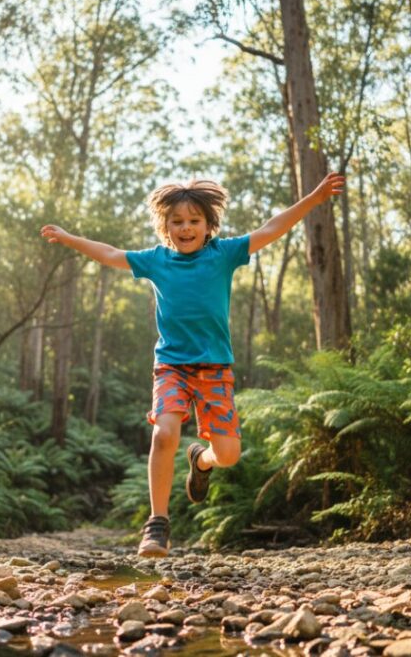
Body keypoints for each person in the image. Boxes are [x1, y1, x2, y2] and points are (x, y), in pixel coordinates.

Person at [40, 171, 344, 557]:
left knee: (229, 455)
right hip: (171, 367)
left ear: (208, 225)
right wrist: (69, 238)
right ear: (165, 226)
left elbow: (271, 228)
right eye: (177, 221)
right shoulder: (157, 260)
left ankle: (201, 460)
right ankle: (158, 524)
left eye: (194, 221)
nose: (186, 228)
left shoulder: (224, 254)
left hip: (215, 369)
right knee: (164, 433)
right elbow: (112, 254)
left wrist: (313, 199)